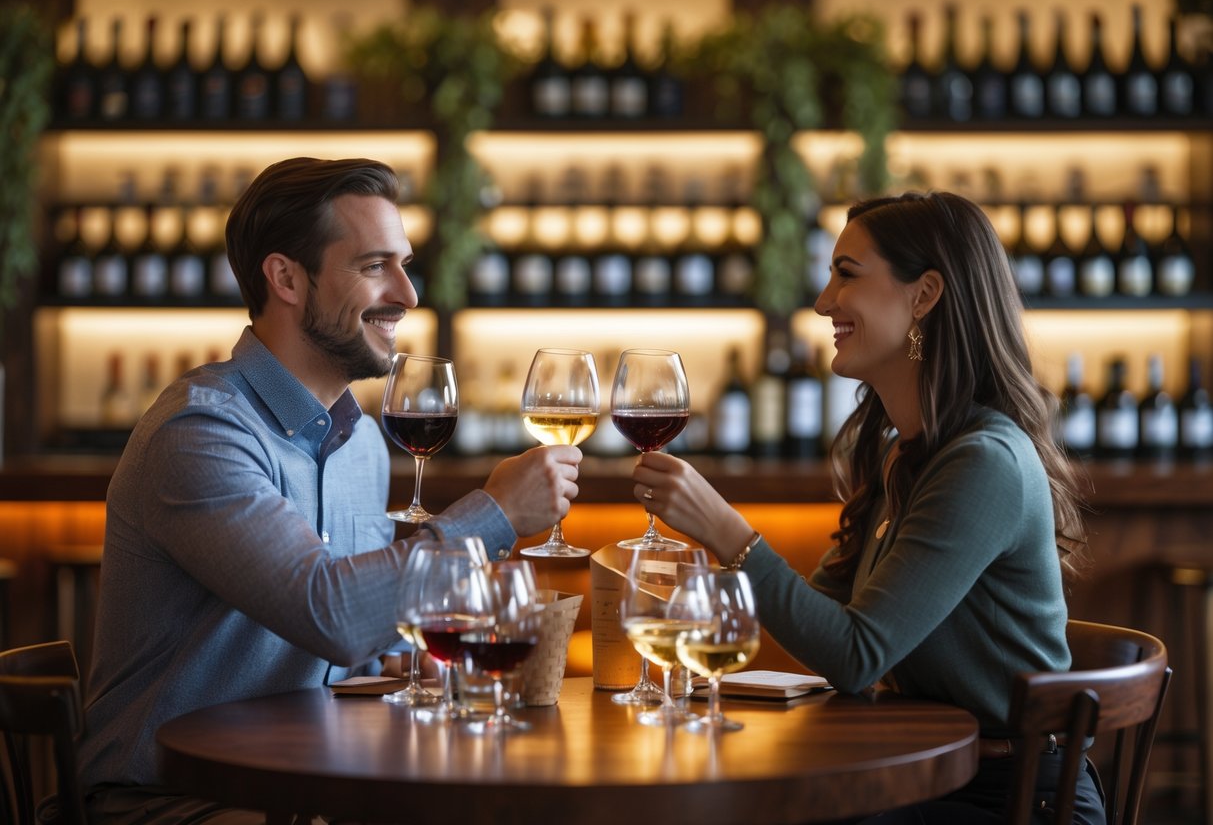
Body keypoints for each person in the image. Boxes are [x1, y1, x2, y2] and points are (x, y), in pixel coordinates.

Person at [77, 157, 582, 822]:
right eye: (374, 266)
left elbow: (357, 637)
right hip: (173, 800)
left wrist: (412, 655)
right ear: (286, 277)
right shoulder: (201, 433)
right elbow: (330, 614)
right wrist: (496, 515)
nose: (406, 293)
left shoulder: (362, 443)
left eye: (403, 263)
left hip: (305, 785)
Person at [631, 191, 1102, 823]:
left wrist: (724, 530)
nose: (824, 302)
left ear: (924, 295)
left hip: (1018, 799)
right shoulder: (907, 453)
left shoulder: (983, 462)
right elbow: (828, 620)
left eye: (846, 275)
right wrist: (688, 587)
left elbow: (857, 656)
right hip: (936, 777)